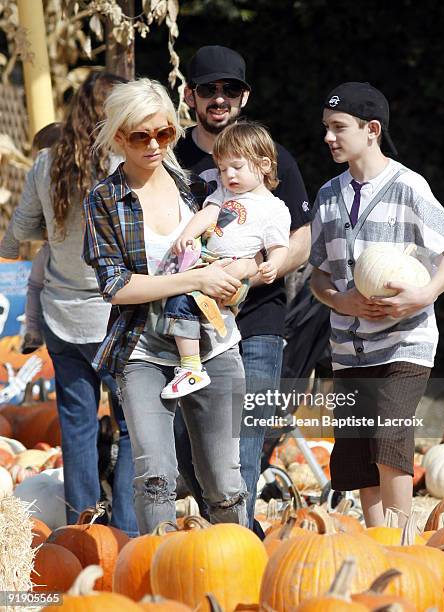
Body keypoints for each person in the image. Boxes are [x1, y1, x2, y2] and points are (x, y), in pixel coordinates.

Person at [83, 77, 249, 534]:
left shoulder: (193, 188)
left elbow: (224, 256)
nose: (155, 145)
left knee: (224, 483)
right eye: (141, 136)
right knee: (155, 478)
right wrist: (191, 277)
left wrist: (234, 284)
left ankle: (235, 578)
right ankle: (159, 580)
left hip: (214, 345)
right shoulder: (104, 200)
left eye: (165, 133)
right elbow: (114, 285)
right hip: (142, 351)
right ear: (119, 137)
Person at [309, 81, 444, 527]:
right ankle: (377, 542)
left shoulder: (408, 187)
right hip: (349, 349)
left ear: (372, 130)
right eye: (326, 127)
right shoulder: (326, 196)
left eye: (339, 127)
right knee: (359, 448)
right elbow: (318, 275)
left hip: (406, 342)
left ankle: (403, 543)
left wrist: (424, 293)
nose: (328, 137)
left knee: (389, 433)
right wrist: (341, 300)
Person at [174, 45, 312, 530]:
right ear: (190, 95)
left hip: (257, 321)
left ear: (244, 95)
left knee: (243, 444)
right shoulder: (171, 155)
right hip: (186, 321)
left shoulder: (274, 156)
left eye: (229, 89)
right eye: (208, 89)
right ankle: (227, 534)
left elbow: (300, 236)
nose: (218, 98)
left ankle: (238, 546)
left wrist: (258, 268)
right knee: (185, 448)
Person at [11, 71, 138, 536]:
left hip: (63, 315)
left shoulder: (48, 163)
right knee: (133, 427)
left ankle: (80, 534)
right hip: (118, 313)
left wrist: (58, 231)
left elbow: (23, 229)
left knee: (78, 428)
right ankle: (125, 533)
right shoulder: (127, 165)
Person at [161, 121, 291, 399]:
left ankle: (191, 366)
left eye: (237, 167)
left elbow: (280, 246)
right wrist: (187, 234)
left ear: (265, 164)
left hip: (236, 269)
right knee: (175, 289)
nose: (228, 175)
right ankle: (196, 349)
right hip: (208, 261)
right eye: (222, 169)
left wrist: (273, 265)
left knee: (182, 300)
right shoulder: (224, 193)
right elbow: (206, 214)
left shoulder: (274, 209)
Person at [0, 122, 63, 354]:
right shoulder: (81, 178)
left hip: (50, 247)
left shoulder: (41, 174)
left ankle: (33, 331)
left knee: (35, 286)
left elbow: (24, 222)